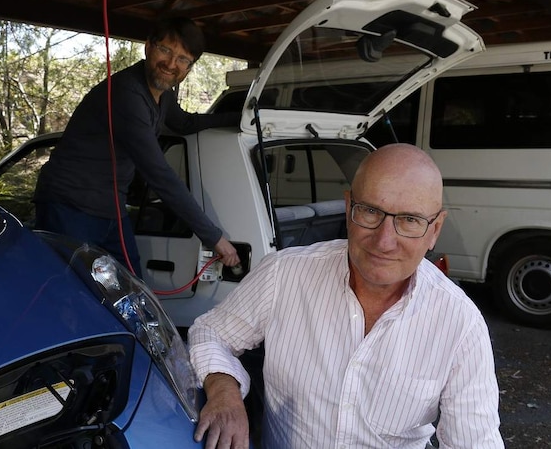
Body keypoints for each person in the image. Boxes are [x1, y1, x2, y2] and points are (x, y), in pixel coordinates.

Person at [189, 143, 503, 448]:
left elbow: (474, 442)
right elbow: (210, 332)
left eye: (410, 220)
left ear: (435, 230)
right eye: (370, 211)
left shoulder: (460, 324)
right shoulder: (284, 275)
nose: (384, 241)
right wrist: (225, 392)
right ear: (349, 205)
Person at [33, 16, 241, 276]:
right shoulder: (126, 94)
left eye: (182, 59)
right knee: (74, 292)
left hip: (111, 209)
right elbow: (158, 174)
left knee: (132, 287)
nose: (171, 64)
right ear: (148, 47)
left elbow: (184, 123)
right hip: (69, 205)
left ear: (190, 67)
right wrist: (213, 237)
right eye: (165, 50)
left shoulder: (163, 93)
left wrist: (239, 116)